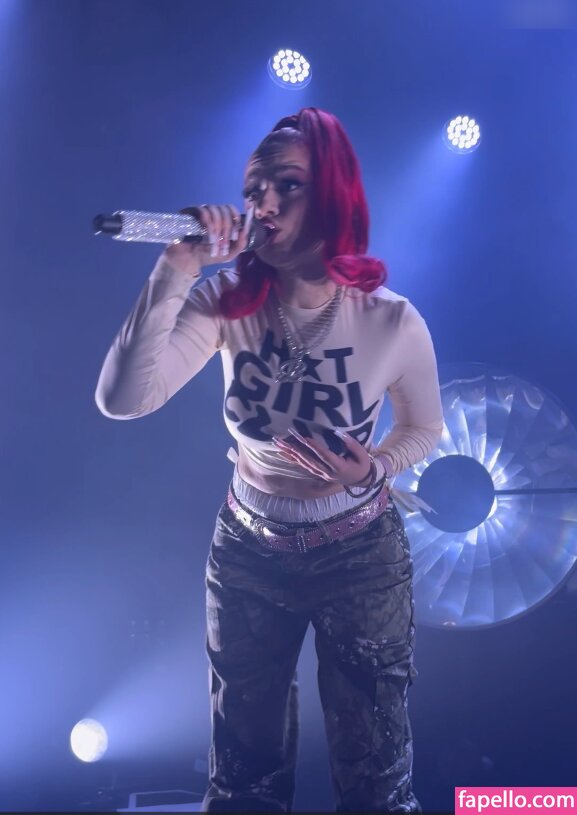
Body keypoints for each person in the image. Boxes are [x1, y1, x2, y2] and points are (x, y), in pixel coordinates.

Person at [95, 107, 444, 813]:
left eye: (288, 185)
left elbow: (423, 427)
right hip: (249, 551)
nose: (264, 204)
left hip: (359, 553)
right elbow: (124, 399)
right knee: (242, 780)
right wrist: (176, 268)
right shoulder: (226, 301)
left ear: (335, 194)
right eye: (253, 190)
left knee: (376, 782)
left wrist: (373, 469)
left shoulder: (391, 320)